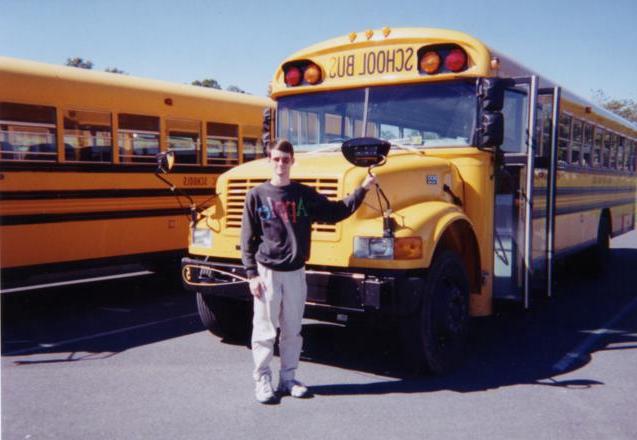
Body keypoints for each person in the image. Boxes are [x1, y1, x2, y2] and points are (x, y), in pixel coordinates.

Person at [240, 139, 376, 404]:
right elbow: (247, 238)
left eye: (285, 159)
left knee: (292, 329)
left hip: (295, 273)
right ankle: (263, 381)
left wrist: (364, 189)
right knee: (265, 331)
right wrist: (251, 275)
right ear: (270, 161)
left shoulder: (303, 194)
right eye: (276, 159)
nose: (281, 164)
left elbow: (336, 211)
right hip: (266, 272)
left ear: (292, 161)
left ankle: (288, 379)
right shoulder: (255, 195)